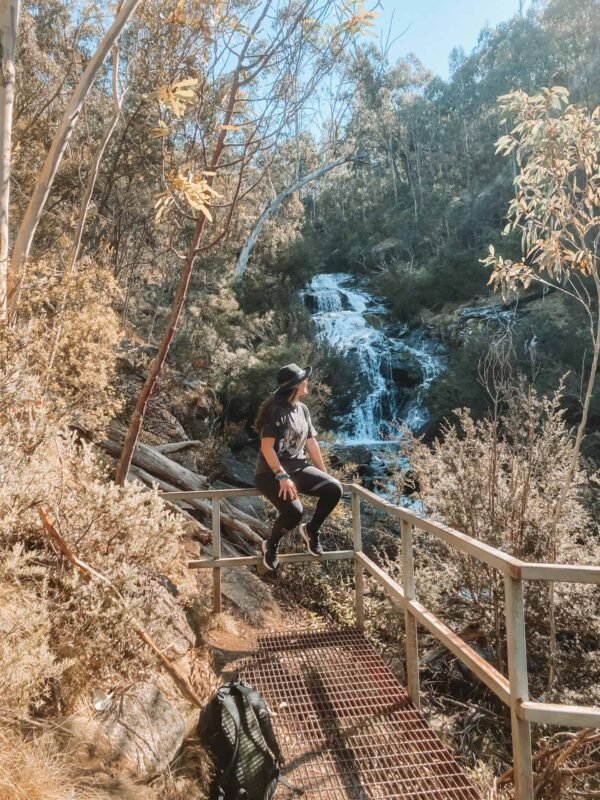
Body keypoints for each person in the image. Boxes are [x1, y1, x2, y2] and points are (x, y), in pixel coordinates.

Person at [254, 363, 343, 572]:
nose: (307, 382)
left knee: (334, 488)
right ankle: (271, 545)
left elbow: (311, 444)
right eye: (304, 380)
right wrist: (281, 475)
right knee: (294, 512)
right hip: (270, 472)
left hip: (299, 468)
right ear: (295, 386)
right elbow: (267, 448)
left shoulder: (302, 409)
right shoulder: (274, 411)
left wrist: (324, 474)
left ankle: (311, 530)